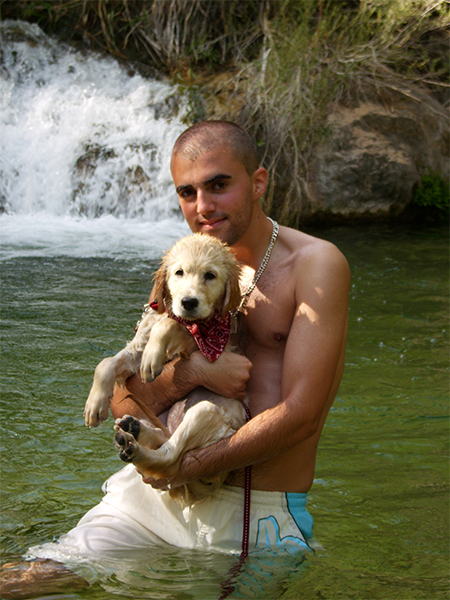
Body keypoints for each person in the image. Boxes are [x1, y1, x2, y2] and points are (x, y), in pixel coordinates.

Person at [1, 121, 350, 597]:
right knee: (26, 579)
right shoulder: (182, 267)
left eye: (219, 185)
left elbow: (302, 416)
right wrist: (192, 372)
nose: (203, 207)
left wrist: (186, 465)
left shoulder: (315, 265)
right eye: (187, 192)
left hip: (247, 521)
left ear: (259, 182)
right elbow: (125, 403)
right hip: (148, 498)